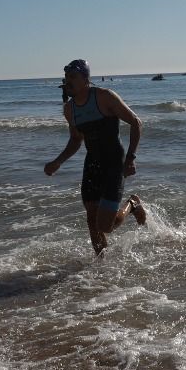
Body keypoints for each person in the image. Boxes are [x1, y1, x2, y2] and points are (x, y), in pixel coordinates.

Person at [44, 59, 147, 256]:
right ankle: (100, 269)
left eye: (73, 77)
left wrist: (131, 158)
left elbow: (136, 122)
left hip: (114, 163)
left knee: (106, 226)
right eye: (66, 78)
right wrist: (58, 161)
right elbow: (76, 139)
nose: (68, 81)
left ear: (86, 79)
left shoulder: (104, 97)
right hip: (92, 164)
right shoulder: (69, 109)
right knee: (92, 219)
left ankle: (133, 204)